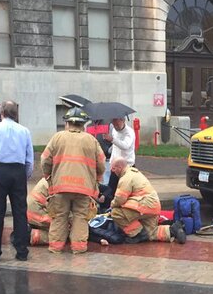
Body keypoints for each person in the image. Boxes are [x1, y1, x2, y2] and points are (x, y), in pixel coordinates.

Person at [41, 108, 105, 254]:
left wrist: (48, 176)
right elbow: (101, 163)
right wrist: (97, 179)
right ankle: (79, 248)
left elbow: (45, 160)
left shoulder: (57, 138)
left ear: (67, 123)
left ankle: (56, 248)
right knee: (80, 218)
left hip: (60, 187)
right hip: (84, 188)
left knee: (59, 217)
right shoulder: (91, 140)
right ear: (83, 124)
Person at [0, 100, 33, 262]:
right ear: (16, 113)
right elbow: (29, 159)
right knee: (20, 212)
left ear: (1, 113)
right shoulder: (24, 131)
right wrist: (25, 175)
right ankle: (22, 251)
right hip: (18, 171)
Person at [110, 158, 187, 244]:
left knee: (116, 212)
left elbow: (120, 199)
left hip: (143, 205)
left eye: (113, 168)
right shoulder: (135, 173)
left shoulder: (126, 178)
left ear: (119, 167)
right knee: (151, 232)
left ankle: (137, 234)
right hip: (153, 206)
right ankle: (173, 230)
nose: (112, 172)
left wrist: (112, 204)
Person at [104, 115, 135, 192]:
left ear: (123, 121)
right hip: (115, 165)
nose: (116, 127)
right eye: (114, 125)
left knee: (126, 190)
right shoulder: (114, 130)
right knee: (111, 189)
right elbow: (115, 145)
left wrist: (112, 139)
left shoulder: (129, 132)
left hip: (127, 166)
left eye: (117, 124)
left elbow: (125, 145)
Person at [27, 178, 51, 246]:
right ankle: (30, 235)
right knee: (61, 234)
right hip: (36, 213)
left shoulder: (53, 175)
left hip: (30, 211)